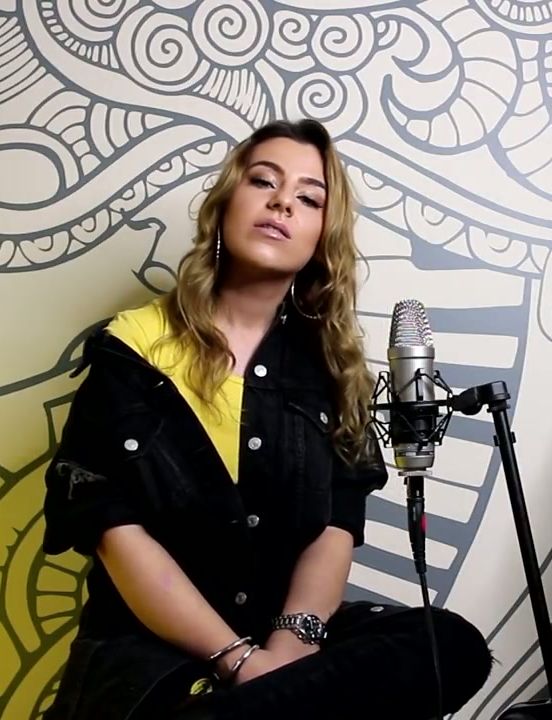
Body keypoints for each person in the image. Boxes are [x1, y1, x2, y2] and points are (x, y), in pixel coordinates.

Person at [39, 118, 495, 720]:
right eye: (263, 181)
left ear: (322, 237)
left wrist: (288, 651)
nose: (282, 202)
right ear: (227, 202)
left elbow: (335, 527)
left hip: (285, 658)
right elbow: (114, 532)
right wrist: (239, 662)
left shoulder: (331, 374)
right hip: (154, 662)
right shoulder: (133, 347)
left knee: (449, 645)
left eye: (309, 198)